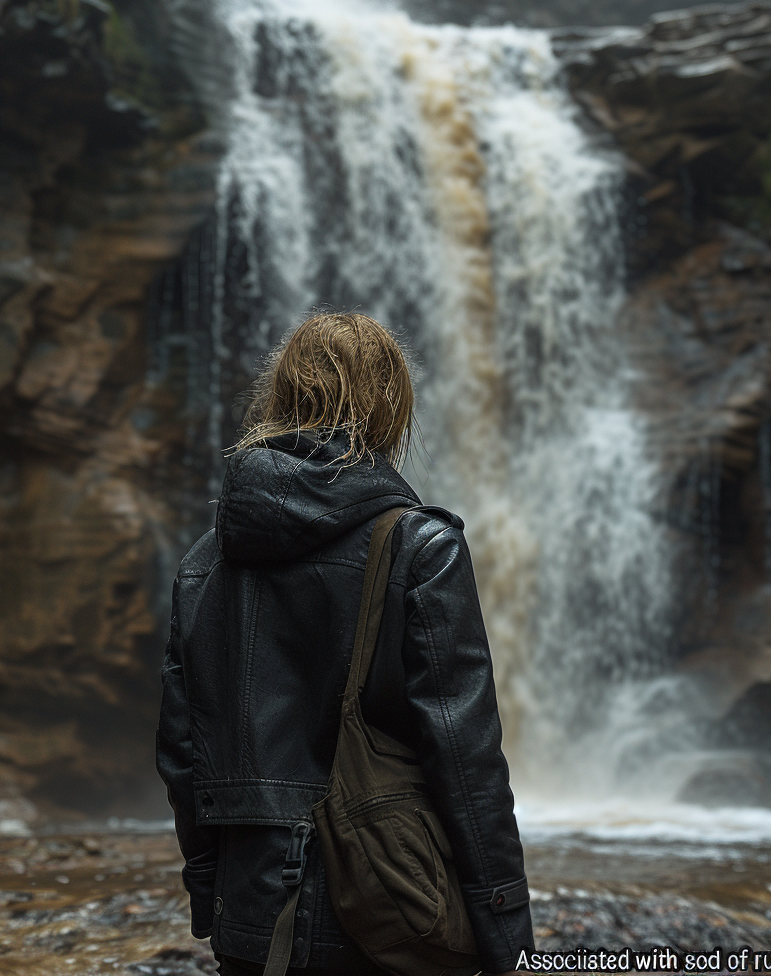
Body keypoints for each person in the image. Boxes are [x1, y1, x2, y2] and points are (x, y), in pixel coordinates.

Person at [156, 311, 534, 975]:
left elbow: (185, 754)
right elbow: (465, 756)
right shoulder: (423, 550)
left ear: (279, 396)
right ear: (392, 407)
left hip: (250, 921)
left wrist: (212, 898)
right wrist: (509, 940)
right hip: (387, 914)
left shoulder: (203, 563)